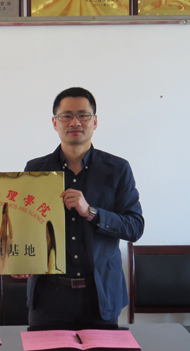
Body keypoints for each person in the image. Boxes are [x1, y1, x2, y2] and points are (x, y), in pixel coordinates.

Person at [23, 87, 144, 326]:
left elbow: (134, 227)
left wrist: (91, 212)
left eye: (83, 115)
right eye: (66, 116)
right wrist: (19, 260)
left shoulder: (117, 169)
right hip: (48, 296)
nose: (75, 122)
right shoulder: (36, 170)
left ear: (95, 121)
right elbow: (25, 225)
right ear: (55, 122)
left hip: (100, 295)